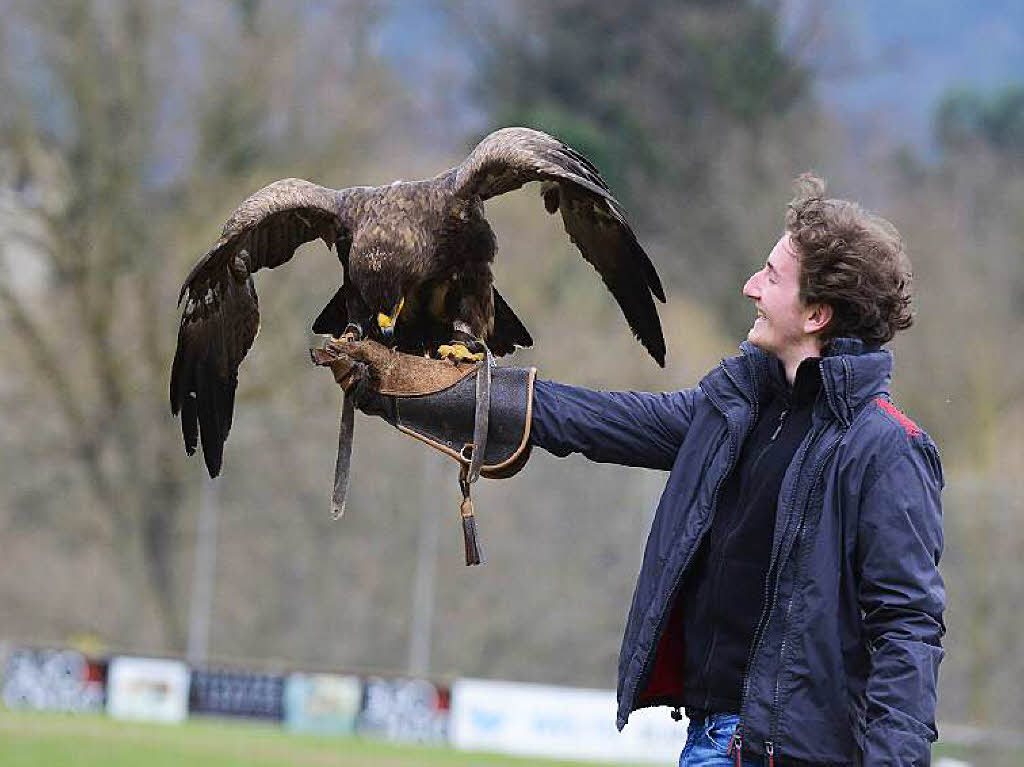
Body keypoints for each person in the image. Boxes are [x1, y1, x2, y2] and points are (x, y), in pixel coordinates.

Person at [321, 174, 945, 766]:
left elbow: (907, 631)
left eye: (773, 277)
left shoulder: (885, 450)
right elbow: (595, 421)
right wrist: (418, 393)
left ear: (816, 315)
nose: (750, 286)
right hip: (712, 739)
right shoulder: (736, 409)